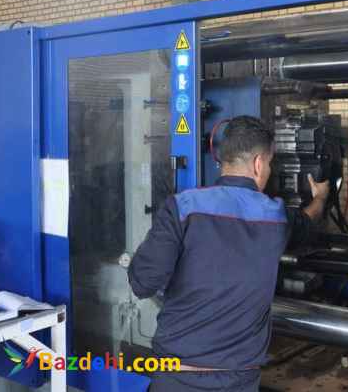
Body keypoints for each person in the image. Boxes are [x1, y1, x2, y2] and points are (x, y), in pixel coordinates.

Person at [127, 115, 330, 392]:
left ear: (222, 160)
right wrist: (320, 196)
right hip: (238, 381)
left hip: (175, 377)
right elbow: (308, 219)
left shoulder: (181, 208)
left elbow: (142, 283)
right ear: (258, 164)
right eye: (270, 163)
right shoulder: (277, 218)